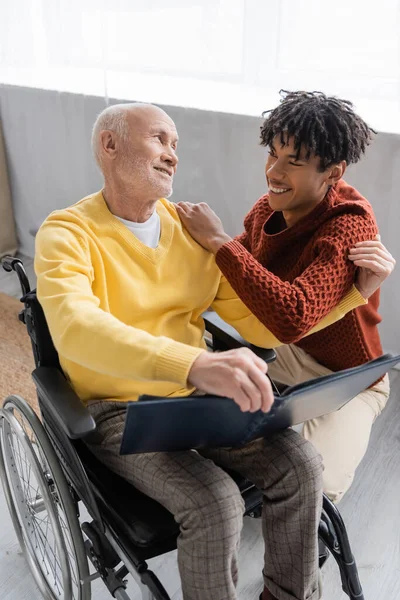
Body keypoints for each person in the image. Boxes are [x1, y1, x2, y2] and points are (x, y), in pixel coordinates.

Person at [34, 102, 392, 600]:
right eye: (160, 139)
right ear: (109, 146)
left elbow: (266, 327)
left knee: (303, 466)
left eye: (176, 145)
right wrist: (198, 363)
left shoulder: (185, 230)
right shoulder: (67, 232)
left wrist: (353, 296)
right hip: (121, 411)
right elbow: (78, 327)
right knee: (216, 502)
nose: (172, 155)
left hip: (196, 401)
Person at [176, 90, 396, 507]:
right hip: (285, 354)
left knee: (319, 487)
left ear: (333, 172)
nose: (273, 171)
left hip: (349, 379)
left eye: (293, 161)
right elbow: (239, 274)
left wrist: (219, 241)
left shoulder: (348, 226)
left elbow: (292, 315)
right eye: (273, 153)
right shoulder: (267, 208)